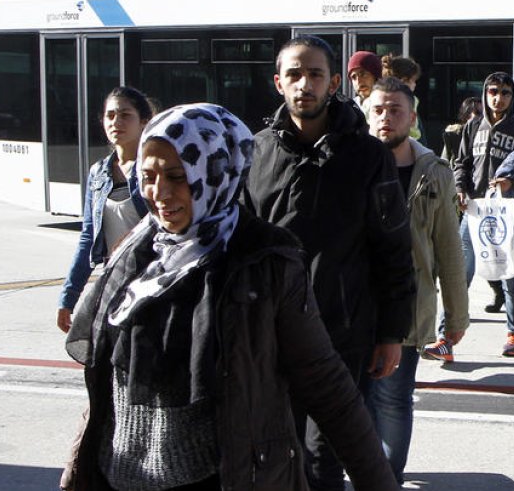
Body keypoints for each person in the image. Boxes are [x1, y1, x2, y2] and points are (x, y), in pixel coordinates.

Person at [62, 103, 398, 491]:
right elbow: (105, 389)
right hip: (118, 477)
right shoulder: (134, 252)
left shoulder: (263, 261)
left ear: (216, 172)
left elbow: (327, 387)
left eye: (177, 176)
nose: (159, 193)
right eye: (148, 176)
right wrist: (75, 472)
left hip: (219, 479)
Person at [242, 36, 416, 490]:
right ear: (278, 82)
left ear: (334, 82)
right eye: (294, 75)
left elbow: (394, 249)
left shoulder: (368, 156)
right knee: (275, 449)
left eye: (315, 74)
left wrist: (391, 333)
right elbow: (237, 246)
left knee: (324, 459)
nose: (305, 84)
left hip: (342, 335)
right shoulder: (255, 153)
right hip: (269, 335)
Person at [364, 77, 468, 482]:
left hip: (408, 306)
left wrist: (456, 316)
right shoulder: (349, 162)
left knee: (392, 399)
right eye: (378, 110)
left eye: (395, 110)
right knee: (357, 400)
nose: (385, 118)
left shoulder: (433, 172)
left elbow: (449, 249)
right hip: (355, 305)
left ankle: (387, 479)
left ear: (412, 118)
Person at [451, 71, 514, 357]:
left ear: (512, 97)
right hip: (474, 210)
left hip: (506, 213)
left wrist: (512, 183)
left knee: (510, 277)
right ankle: (445, 336)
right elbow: (461, 163)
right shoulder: (472, 127)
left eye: (505, 93)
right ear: (485, 93)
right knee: (459, 274)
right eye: (493, 91)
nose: (498, 98)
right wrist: (460, 189)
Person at [57, 86, 153, 333]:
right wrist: (68, 298)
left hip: (151, 280)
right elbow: (88, 238)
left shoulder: (154, 169)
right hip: (114, 282)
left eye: (125, 115)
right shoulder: (98, 172)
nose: (116, 122)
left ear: (144, 122)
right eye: (110, 115)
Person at [380, 53, 423, 141]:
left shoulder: (376, 98)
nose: (415, 85)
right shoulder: (411, 99)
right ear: (404, 81)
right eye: (413, 81)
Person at [441, 96, 481, 166]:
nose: (482, 117)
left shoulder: (487, 134)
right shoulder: (454, 136)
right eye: (478, 113)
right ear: (467, 116)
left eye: (485, 113)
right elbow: (444, 163)